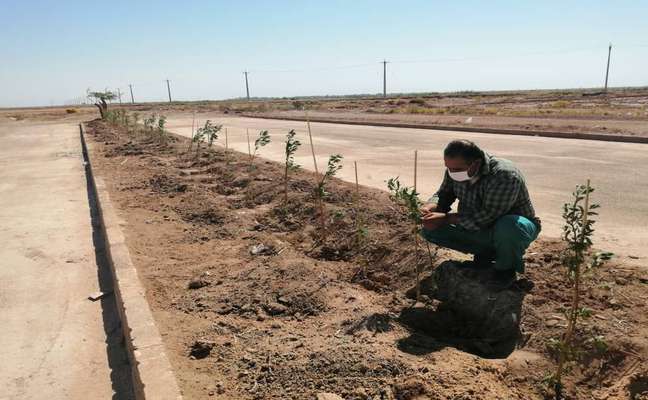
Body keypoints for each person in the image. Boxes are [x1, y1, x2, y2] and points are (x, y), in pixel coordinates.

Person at [421, 139, 541, 286]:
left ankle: (505, 270)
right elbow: (444, 194)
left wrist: (445, 218)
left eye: (456, 170)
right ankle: (485, 255)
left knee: (508, 228)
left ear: (476, 163)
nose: (451, 173)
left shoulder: (504, 175)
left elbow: (489, 215)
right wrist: (431, 206)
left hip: (512, 227)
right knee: (430, 229)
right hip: (476, 226)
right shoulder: (456, 170)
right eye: (448, 168)